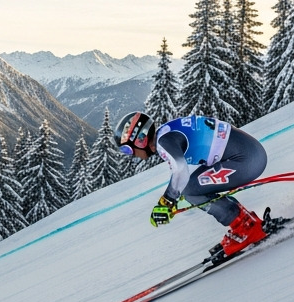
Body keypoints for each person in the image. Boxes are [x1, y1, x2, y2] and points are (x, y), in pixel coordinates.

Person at [115, 111, 275, 264]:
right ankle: (245, 223)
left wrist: (167, 201)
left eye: (127, 149)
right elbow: (184, 174)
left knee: (190, 190)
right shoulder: (167, 133)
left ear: (140, 139)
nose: (131, 155)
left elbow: (180, 171)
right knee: (192, 187)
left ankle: (246, 228)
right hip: (248, 155)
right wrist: (169, 201)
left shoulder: (164, 142)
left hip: (246, 161)